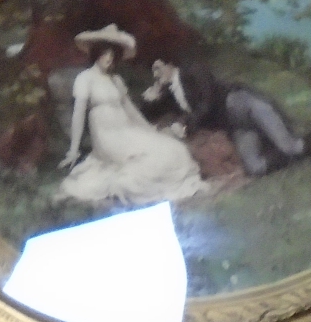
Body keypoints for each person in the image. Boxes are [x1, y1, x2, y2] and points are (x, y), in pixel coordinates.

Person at [143, 57, 311, 176]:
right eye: (153, 71)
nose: (156, 74)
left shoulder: (192, 72)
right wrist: (150, 98)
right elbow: (153, 112)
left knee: (291, 148)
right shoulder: (170, 94)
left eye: (157, 68)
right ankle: (289, 150)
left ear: (168, 64)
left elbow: (207, 101)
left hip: (243, 104)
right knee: (254, 168)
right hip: (235, 124)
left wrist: (188, 125)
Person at [58, 25, 209, 207]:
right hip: (108, 138)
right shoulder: (85, 78)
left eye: (113, 54)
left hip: (128, 132)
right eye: (105, 53)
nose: (109, 58)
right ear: (96, 53)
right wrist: (73, 150)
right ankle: (126, 184)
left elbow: (131, 111)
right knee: (148, 161)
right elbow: (78, 115)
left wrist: (151, 132)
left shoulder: (116, 80)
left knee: (174, 150)